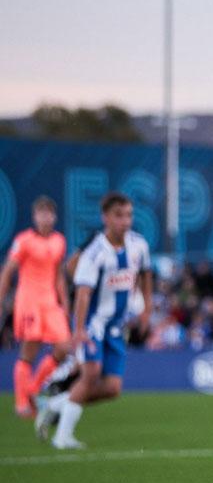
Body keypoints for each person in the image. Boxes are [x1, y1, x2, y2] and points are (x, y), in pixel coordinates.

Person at [36, 192, 152, 449]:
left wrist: (146, 310)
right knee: (91, 375)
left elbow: (146, 276)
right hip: (93, 325)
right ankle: (62, 438)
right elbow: (84, 293)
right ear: (106, 218)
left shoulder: (139, 245)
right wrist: (78, 330)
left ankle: (55, 405)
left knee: (112, 388)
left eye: (129, 215)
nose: (125, 221)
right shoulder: (95, 252)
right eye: (119, 215)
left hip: (116, 327)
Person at [0, 196, 71, 418]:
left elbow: (59, 274)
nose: (45, 217)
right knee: (29, 350)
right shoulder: (24, 241)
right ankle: (22, 403)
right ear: (34, 217)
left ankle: (32, 390)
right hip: (28, 301)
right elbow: (8, 271)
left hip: (50, 302)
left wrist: (65, 302)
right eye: (41, 213)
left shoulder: (59, 241)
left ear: (55, 217)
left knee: (65, 347)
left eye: (49, 213)